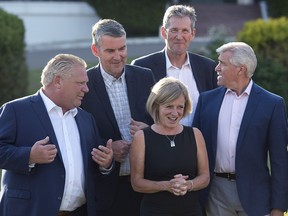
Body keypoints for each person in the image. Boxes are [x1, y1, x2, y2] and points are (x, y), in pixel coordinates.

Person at [0, 53, 114, 216]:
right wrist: (29, 156)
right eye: (80, 83)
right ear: (58, 81)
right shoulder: (16, 110)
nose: (86, 89)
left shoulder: (85, 118)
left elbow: (93, 164)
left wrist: (106, 163)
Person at [192, 42, 288, 216]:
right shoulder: (206, 100)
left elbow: (280, 160)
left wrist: (278, 207)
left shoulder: (272, 104)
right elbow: (194, 149)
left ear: (240, 69)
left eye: (222, 63)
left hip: (256, 195)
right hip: (215, 193)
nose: (217, 68)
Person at [81, 19, 156, 216]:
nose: (118, 56)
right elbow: (77, 136)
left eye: (122, 48)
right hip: (107, 190)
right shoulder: (84, 85)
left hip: (148, 186)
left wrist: (149, 133)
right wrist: (106, 149)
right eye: (110, 51)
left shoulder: (146, 77)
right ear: (95, 50)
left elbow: (164, 123)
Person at [130, 77, 210, 216]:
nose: (175, 113)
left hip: (191, 211)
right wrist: (167, 186)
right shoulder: (142, 137)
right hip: (154, 212)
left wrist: (188, 185)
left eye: (180, 107)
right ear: (156, 106)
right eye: (169, 106)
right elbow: (136, 183)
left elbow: (205, 177)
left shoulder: (195, 134)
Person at [131, 4, 217, 126]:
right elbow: (138, 112)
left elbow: (214, 110)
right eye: (174, 30)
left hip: (198, 142)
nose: (179, 37)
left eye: (185, 31)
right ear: (163, 32)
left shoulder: (207, 67)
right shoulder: (142, 67)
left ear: (192, 34)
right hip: (157, 143)